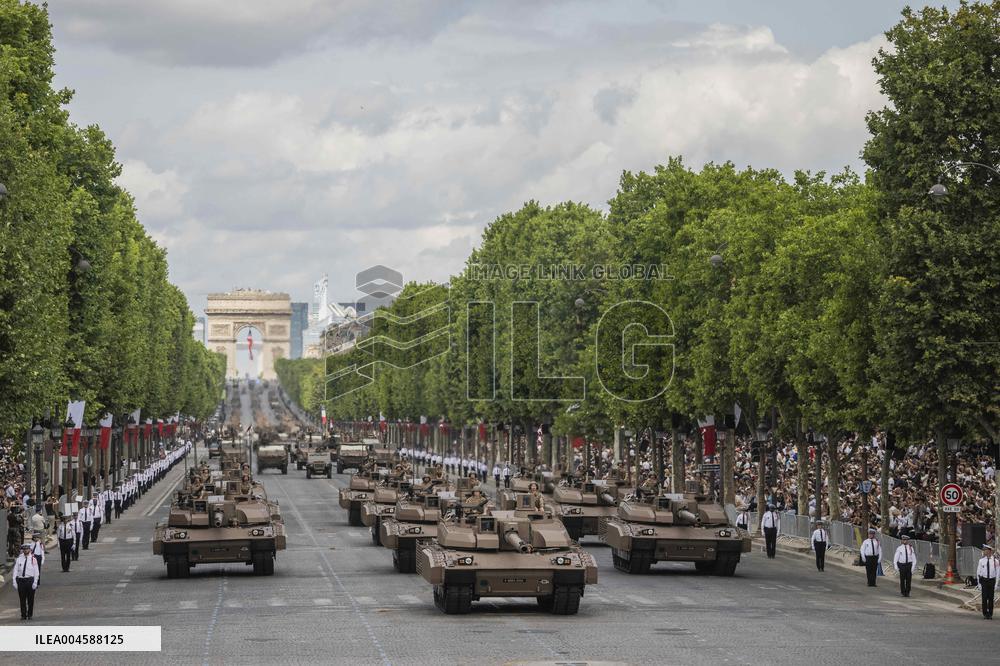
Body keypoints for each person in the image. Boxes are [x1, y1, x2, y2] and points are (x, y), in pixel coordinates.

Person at [13, 542, 39, 620]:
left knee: (30, 599)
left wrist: (35, 582)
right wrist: (14, 581)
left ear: (30, 550)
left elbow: (36, 571)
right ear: (22, 550)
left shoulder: (33, 559)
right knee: (22, 599)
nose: (25, 550)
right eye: (24, 549)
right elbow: (15, 570)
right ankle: (23, 615)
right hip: (21, 580)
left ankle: (30, 614)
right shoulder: (19, 559)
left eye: (27, 549)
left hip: (30, 580)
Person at [977, 543, 998, 620]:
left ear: (989, 551)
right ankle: (985, 613)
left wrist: (996, 584)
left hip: (992, 581)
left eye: (985, 550)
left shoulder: (995, 561)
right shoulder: (981, 561)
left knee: (991, 598)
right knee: (984, 598)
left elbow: (998, 573)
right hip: (984, 581)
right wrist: (979, 584)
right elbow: (978, 572)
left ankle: (990, 614)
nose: (984, 551)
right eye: (984, 550)